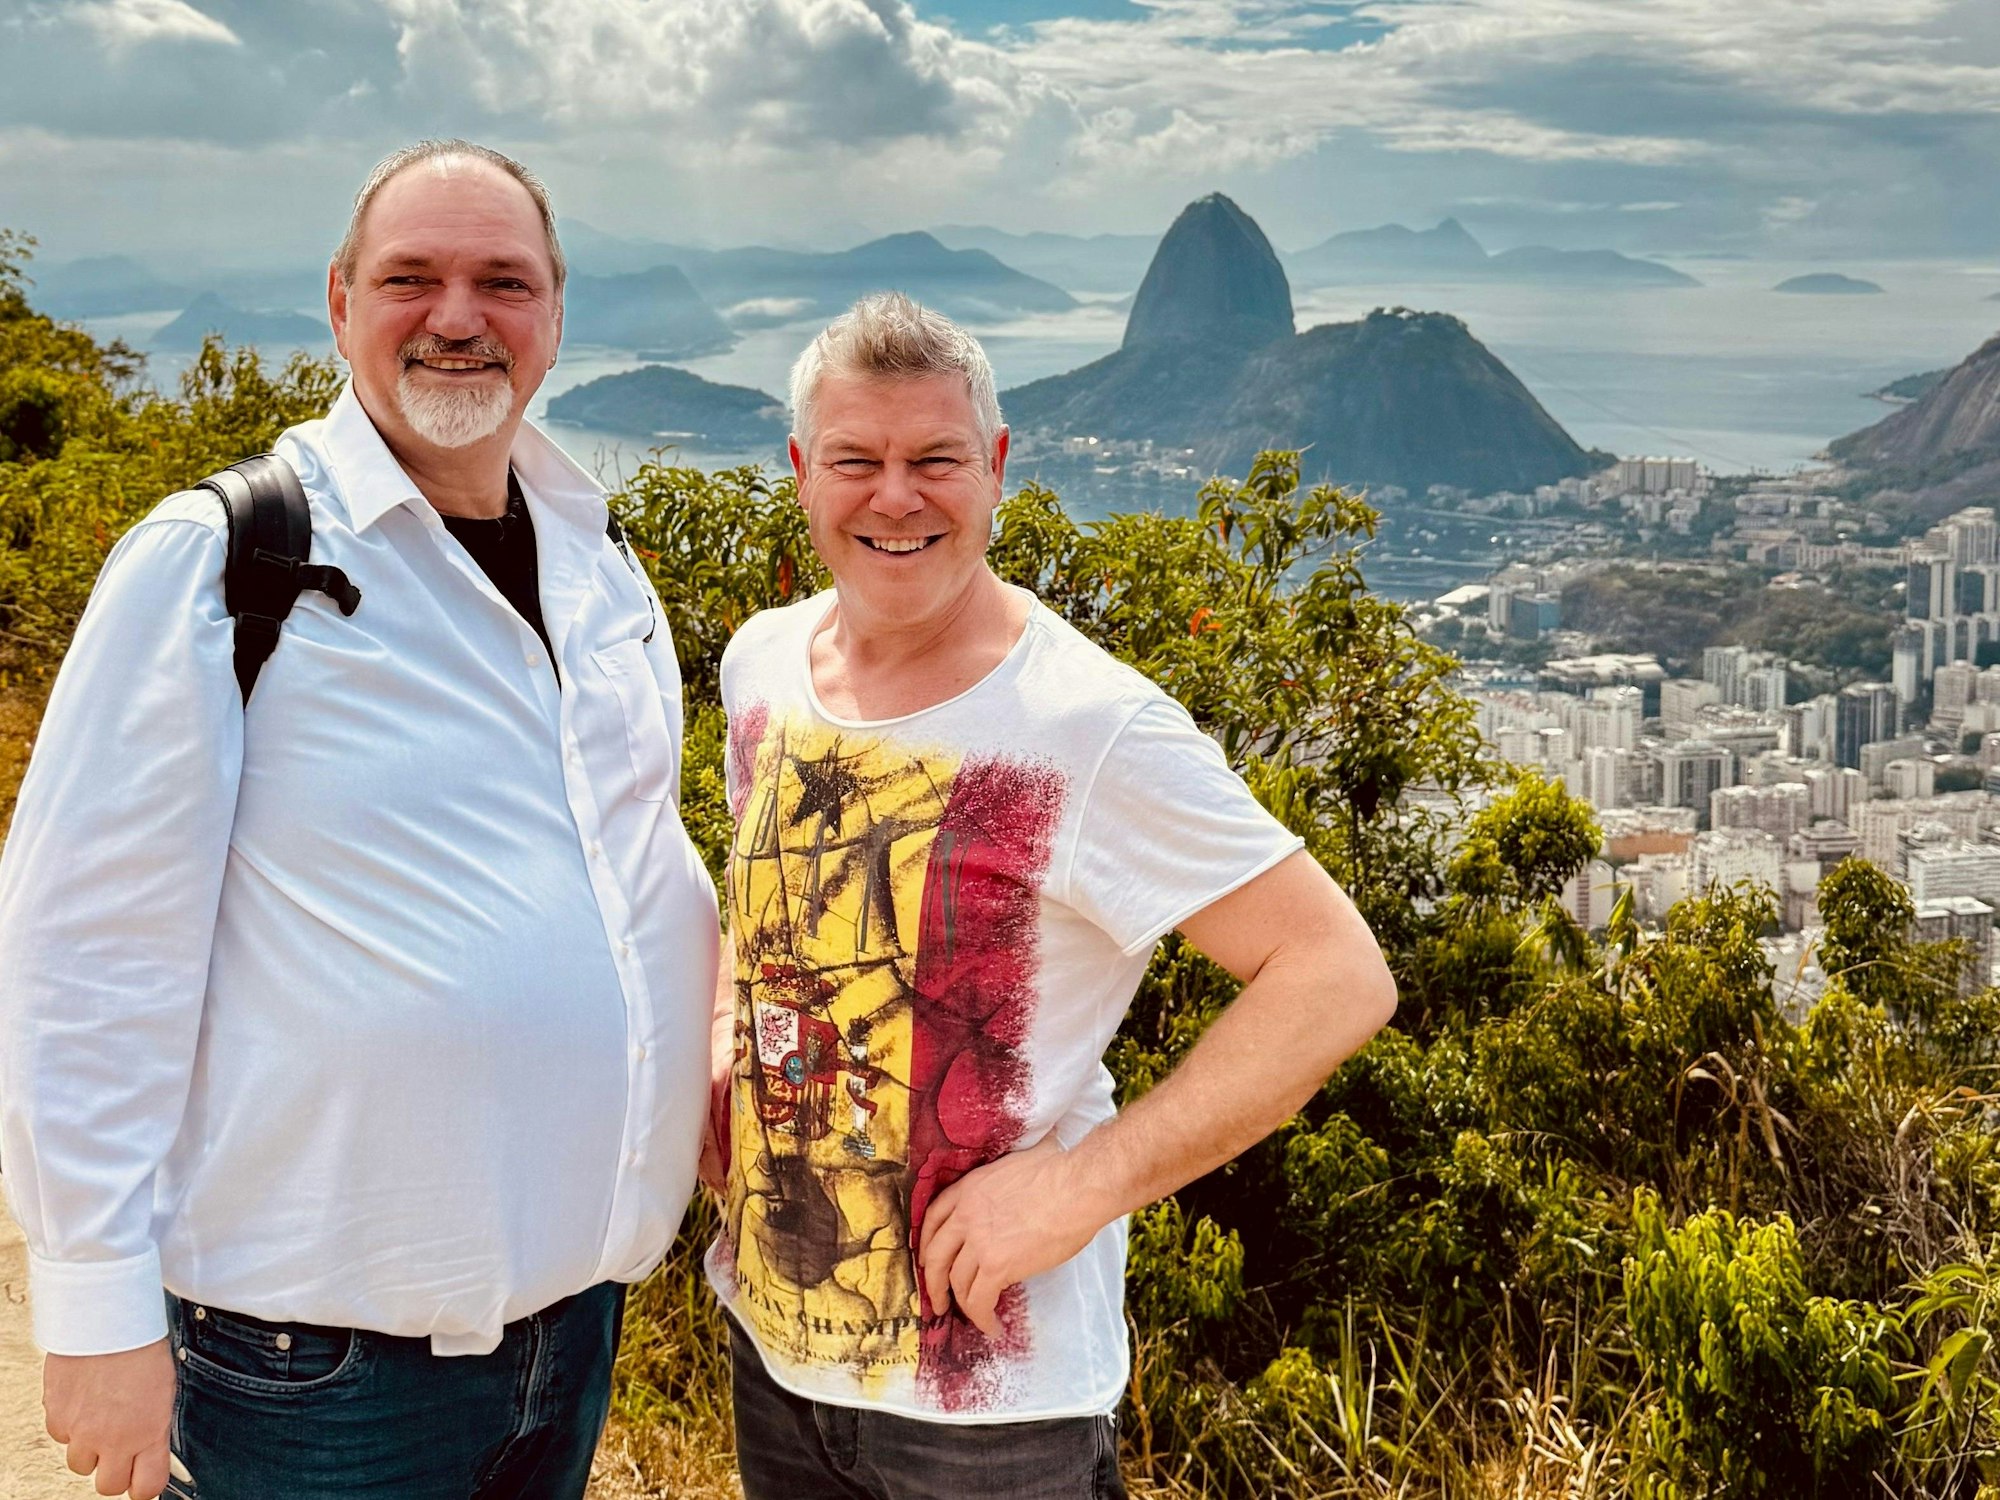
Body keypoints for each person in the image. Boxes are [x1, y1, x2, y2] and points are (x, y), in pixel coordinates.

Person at [0, 139, 719, 1500]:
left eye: (502, 281)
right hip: (313, 1377)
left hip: (573, 1332)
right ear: (341, 304)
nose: (458, 317)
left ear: (554, 315)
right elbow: (81, 951)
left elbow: (636, 857)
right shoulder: (222, 561)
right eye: (412, 279)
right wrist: (93, 1308)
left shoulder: (598, 557)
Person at [701, 291, 1399, 1499]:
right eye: (857, 461)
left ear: (997, 467)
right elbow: (757, 902)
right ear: (803, 472)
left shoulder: (1088, 725)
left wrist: (1082, 1187)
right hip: (772, 1347)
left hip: (989, 1416)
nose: (896, 496)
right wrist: (724, 1042)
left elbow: (1334, 978)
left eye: (935, 459)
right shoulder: (762, 659)